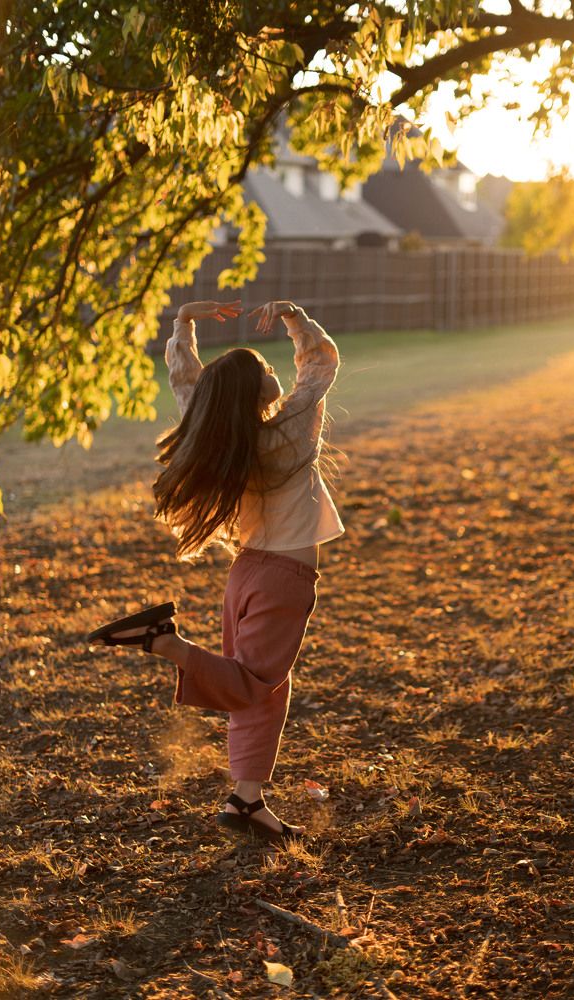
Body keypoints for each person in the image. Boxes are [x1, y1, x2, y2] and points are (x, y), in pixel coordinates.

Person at [87, 299, 344, 845]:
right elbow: (319, 365)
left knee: (261, 687)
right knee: (255, 683)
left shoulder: (219, 436)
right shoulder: (289, 432)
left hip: (247, 573)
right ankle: (165, 642)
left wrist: (183, 324)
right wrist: (296, 319)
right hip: (283, 581)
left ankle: (247, 800)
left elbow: (190, 389)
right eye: (265, 368)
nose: (273, 371)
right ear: (255, 391)